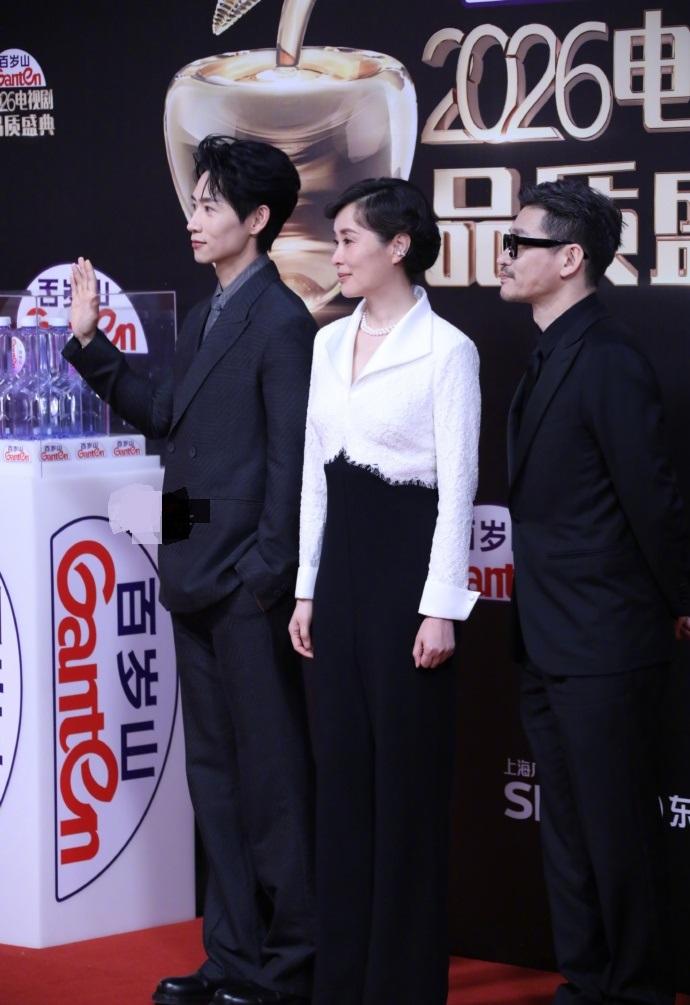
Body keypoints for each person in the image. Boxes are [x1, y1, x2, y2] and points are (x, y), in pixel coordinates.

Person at [66, 136, 316, 1005]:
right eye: (195, 202)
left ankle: (290, 968)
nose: (193, 218)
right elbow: (167, 416)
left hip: (246, 590)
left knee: (272, 783)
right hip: (193, 579)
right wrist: (91, 343)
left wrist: (265, 575)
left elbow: (291, 466)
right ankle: (232, 959)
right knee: (213, 781)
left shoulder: (282, 321)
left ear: (258, 219)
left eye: (211, 205)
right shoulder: (210, 313)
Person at [288, 177, 481, 1005]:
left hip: (409, 576)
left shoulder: (448, 349)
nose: (335, 254)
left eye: (348, 239)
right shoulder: (328, 343)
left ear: (398, 246)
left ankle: (400, 986)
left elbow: (459, 488)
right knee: (340, 781)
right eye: (334, 239)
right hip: (339, 577)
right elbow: (313, 475)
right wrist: (306, 588)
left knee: (405, 788)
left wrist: (441, 606)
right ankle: (341, 981)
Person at [498, 178, 690, 1005]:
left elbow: (652, 498)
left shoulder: (608, 359)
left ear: (570, 257)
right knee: (570, 830)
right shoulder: (551, 352)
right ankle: (586, 979)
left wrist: (681, 598)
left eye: (521, 243)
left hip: (606, 638)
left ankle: (638, 989)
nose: (505, 255)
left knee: (619, 833)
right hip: (548, 636)